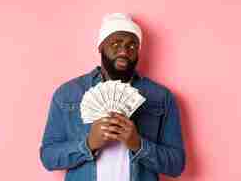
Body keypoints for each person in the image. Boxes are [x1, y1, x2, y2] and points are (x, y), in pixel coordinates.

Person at [39, 13, 186, 181]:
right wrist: (88, 145)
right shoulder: (67, 93)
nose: (124, 51)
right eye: (115, 44)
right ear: (101, 47)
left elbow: (176, 165)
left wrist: (139, 145)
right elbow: (48, 157)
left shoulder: (161, 97)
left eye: (132, 46)